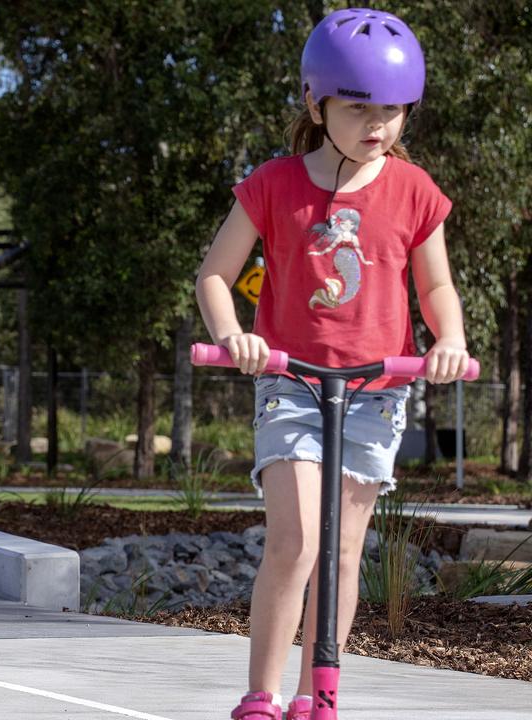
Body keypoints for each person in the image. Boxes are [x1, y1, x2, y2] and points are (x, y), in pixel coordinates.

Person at [193, 9, 471, 720]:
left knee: (344, 551)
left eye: (392, 109)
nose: (377, 123)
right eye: (358, 107)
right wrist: (233, 337)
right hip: (290, 382)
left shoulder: (414, 191)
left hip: (376, 392)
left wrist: (448, 341)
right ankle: (262, 693)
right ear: (316, 103)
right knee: (296, 541)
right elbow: (215, 277)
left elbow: (436, 287)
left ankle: (323, 694)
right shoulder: (275, 185)